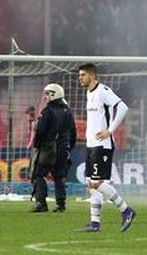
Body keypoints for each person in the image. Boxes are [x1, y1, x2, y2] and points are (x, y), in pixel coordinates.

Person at [77, 63, 136, 233]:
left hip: (102, 145)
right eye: (80, 75)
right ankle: (95, 223)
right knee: (90, 183)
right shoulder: (90, 93)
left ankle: (126, 210)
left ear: (92, 76)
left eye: (83, 75)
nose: (80, 78)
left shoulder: (103, 91)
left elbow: (123, 107)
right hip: (91, 144)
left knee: (96, 182)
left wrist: (110, 131)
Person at [30, 83, 77, 213]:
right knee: (59, 176)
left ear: (53, 94)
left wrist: (37, 145)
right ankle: (61, 204)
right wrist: (69, 147)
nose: (45, 96)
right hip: (63, 147)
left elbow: (40, 131)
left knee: (39, 175)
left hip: (49, 148)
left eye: (47, 94)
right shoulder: (68, 111)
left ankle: (41, 203)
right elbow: (73, 132)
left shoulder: (48, 111)